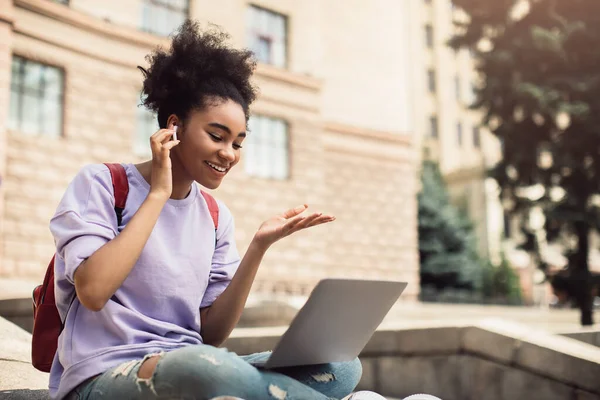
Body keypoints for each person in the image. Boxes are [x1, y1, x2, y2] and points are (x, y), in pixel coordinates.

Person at [49, 20, 387, 400]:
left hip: (195, 364)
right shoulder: (102, 184)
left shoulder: (213, 216)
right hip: (105, 375)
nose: (229, 154)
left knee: (339, 366)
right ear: (174, 126)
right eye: (216, 136)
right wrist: (158, 193)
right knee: (205, 368)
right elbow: (93, 290)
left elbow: (210, 334)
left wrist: (258, 247)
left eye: (238, 142)